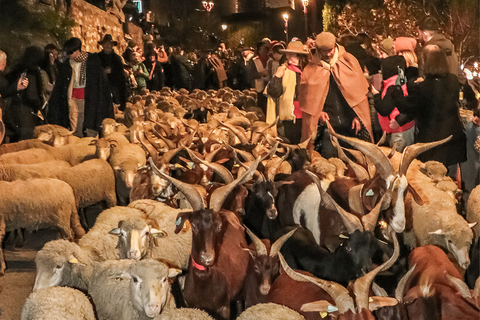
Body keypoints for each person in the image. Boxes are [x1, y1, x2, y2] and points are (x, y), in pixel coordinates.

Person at [299, 32, 373, 158]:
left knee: (355, 164)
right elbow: (309, 100)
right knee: (330, 163)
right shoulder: (311, 69)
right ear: (317, 50)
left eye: (330, 50)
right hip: (328, 128)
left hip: (350, 126)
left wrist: (357, 115)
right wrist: (319, 112)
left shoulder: (348, 61)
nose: (328, 54)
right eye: (324, 51)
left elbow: (359, 93)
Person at [394, 45, 466, 174]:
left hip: (432, 144)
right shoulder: (453, 80)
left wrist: (396, 92)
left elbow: (407, 106)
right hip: (453, 140)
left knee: (432, 181)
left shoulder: (422, 88)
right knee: (450, 180)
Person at [47, 37, 114, 137]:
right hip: (72, 98)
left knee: (88, 124)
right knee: (74, 124)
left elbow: (100, 84)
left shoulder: (92, 62)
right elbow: (61, 84)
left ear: (77, 51)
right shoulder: (67, 65)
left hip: (89, 100)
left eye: (70, 53)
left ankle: (87, 146)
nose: (68, 56)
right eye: (67, 53)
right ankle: (76, 144)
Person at [265, 40, 309, 144]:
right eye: (288, 54)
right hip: (290, 116)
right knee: (292, 143)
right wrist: (277, 77)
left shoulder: (308, 71)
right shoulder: (284, 70)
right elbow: (273, 92)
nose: (289, 58)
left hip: (306, 114)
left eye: (292, 55)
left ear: (300, 56)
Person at [372, 55, 415, 151]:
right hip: (406, 128)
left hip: (398, 131)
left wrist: (376, 95)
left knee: (398, 160)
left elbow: (384, 109)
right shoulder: (402, 81)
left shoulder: (392, 86)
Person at [7, 46, 46, 141]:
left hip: (13, 110)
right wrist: (39, 107)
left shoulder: (16, 68)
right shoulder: (31, 72)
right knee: (25, 143)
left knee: (14, 143)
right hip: (26, 114)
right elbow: (31, 95)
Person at [417, 17, 462, 81]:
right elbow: (459, 75)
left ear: (425, 32)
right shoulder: (449, 46)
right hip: (453, 88)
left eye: (419, 33)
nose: (418, 37)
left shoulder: (428, 50)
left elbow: (424, 77)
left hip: (435, 89)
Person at [0, 50, 29, 143]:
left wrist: (16, 87)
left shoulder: (4, 78)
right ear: (3, 63)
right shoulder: (2, 79)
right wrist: (16, 87)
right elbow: (4, 92)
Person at [97, 34, 127, 111]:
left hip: (114, 87)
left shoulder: (116, 58)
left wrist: (112, 72)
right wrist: (102, 72)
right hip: (101, 87)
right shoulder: (97, 58)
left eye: (109, 44)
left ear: (112, 45)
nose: (107, 46)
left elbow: (120, 76)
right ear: (102, 45)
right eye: (105, 44)